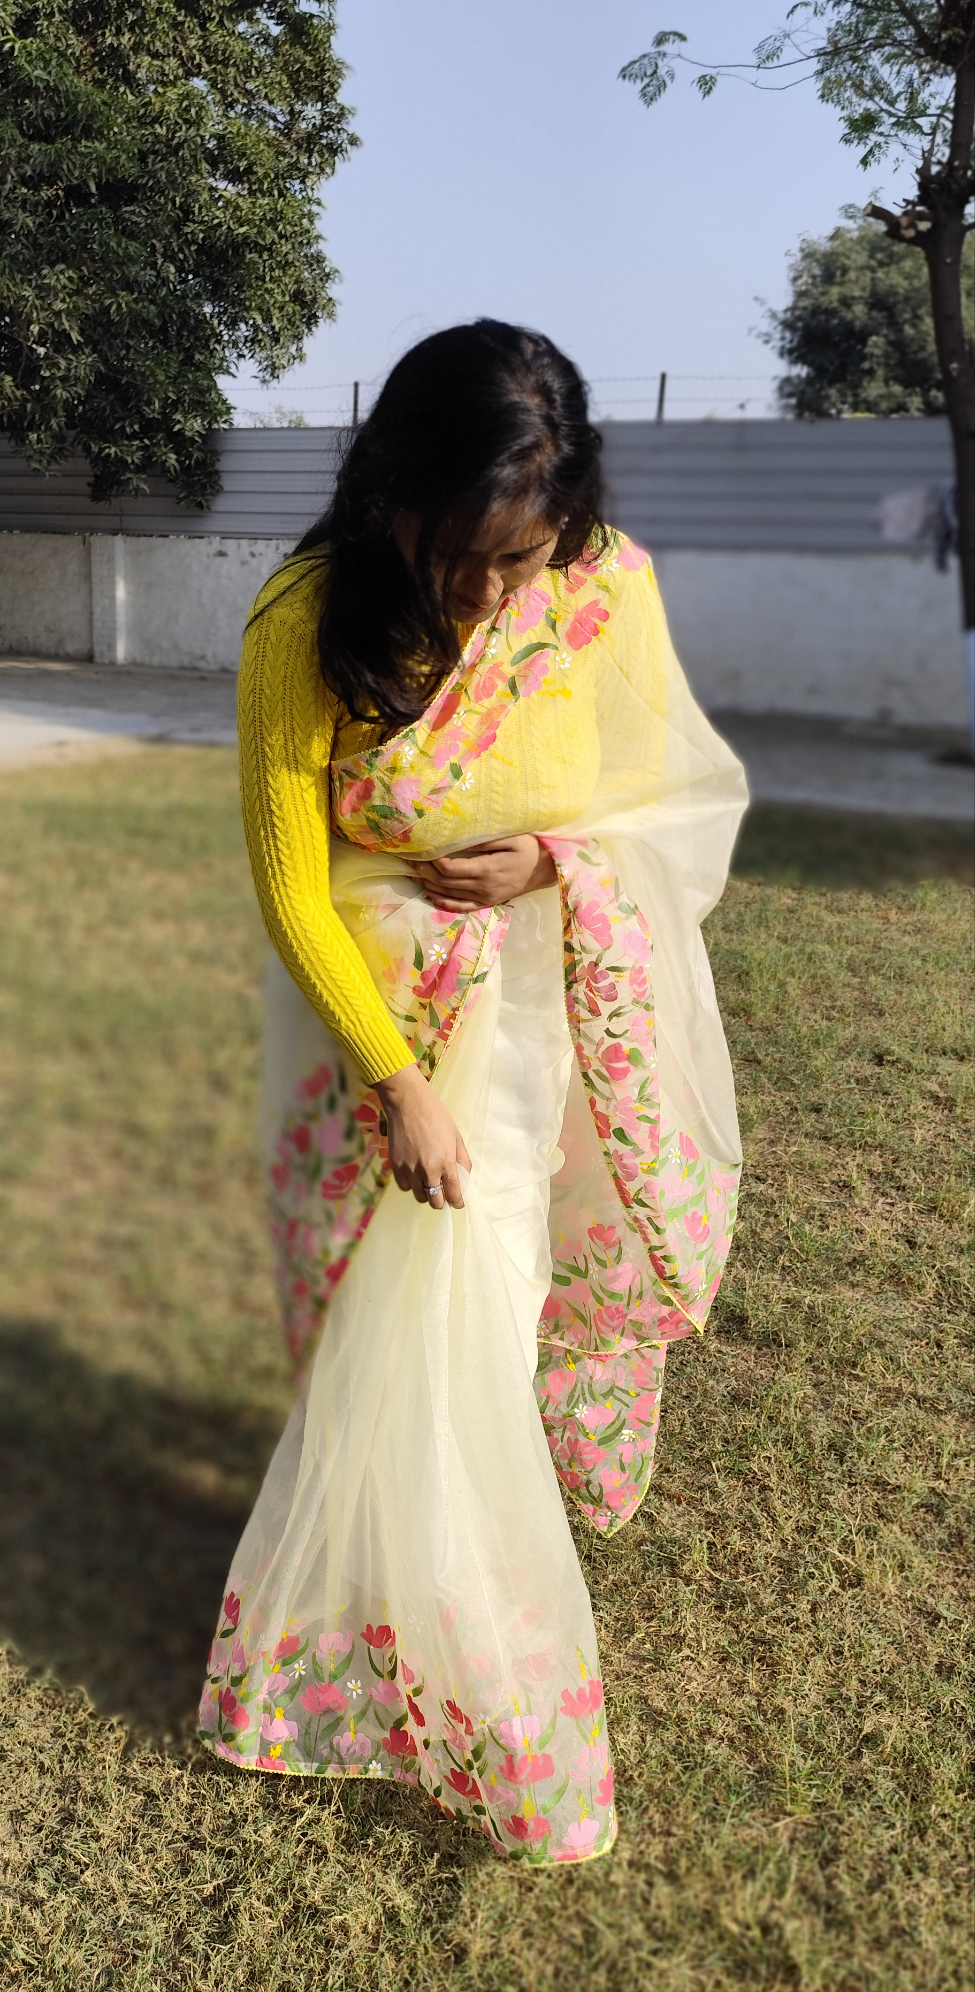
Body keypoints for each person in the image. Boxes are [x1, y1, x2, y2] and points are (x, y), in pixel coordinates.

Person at [199, 320, 747, 1865]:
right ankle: (410, 1599)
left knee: (481, 1312)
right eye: (474, 555)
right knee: (375, 1319)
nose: (499, 592)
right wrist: (396, 1084)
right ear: (397, 490)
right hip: (366, 1030)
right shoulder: (305, 619)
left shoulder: (601, 583)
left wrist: (557, 863)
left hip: (532, 1021)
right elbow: (291, 886)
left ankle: (461, 1633)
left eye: (528, 556)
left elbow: (668, 801)